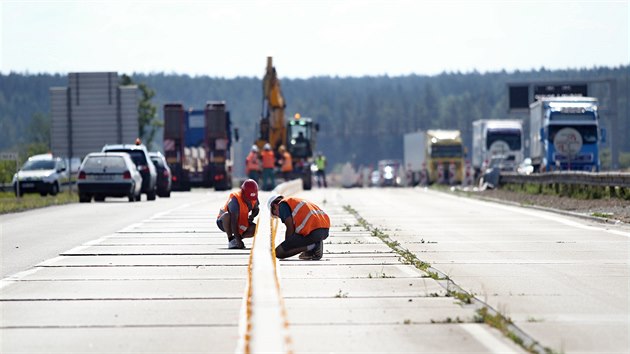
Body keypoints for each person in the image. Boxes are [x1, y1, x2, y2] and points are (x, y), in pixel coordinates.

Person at [267, 194, 330, 260]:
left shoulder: (282, 205)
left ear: (274, 205)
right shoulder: (294, 202)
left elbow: (290, 227)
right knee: (302, 253)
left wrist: (286, 245)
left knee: (278, 252)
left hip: (314, 232)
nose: (278, 216)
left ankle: (314, 246)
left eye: (274, 213)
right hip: (324, 231)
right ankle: (313, 249)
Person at [217, 179, 260, 249]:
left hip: (240, 221)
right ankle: (231, 240)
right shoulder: (235, 200)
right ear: (243, 193)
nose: (250, 200)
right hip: (224, 222)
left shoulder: (253, 196)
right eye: (248, 198)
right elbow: (233, 222)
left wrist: (252, 215)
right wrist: (239, 241)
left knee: (255, 229)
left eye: (251, 198)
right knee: (227, 216)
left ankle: (237, 238)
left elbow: (256, 209)